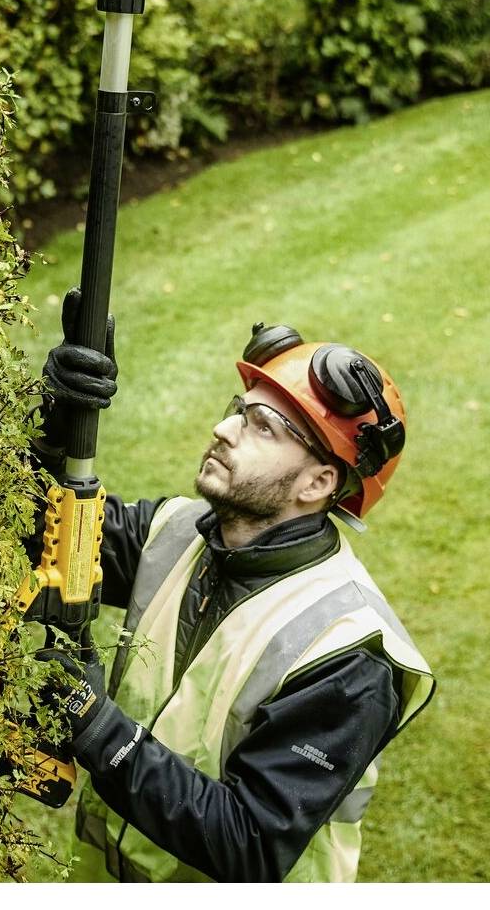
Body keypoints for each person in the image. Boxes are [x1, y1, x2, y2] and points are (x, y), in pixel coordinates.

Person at [29, 298, 436, 883]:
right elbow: (31, 528)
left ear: (319, 482)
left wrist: (95, 725)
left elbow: (250, 843)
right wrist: (54, 423)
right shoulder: (172, 534)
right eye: (239, 410)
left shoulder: (347, 653)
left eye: (261, 427)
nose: (223, 429)